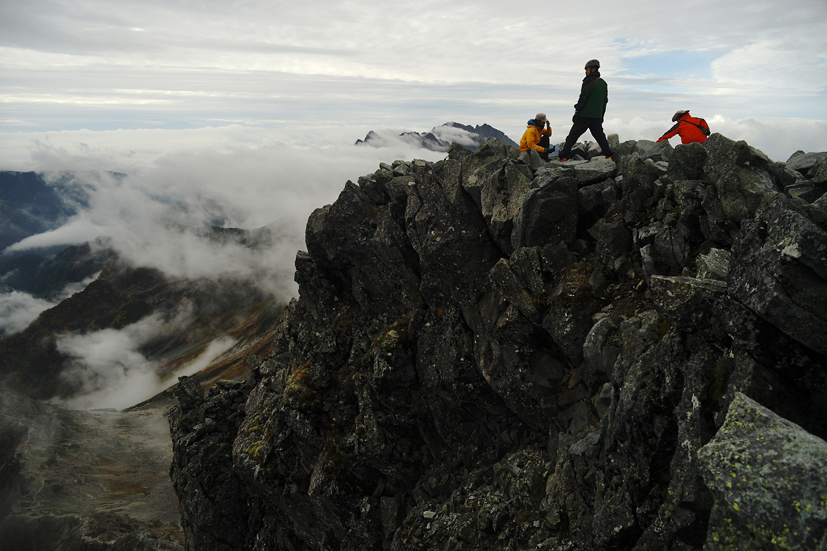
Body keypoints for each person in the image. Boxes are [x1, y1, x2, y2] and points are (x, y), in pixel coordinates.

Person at [558, 59, 613, 161]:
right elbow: (605, 101)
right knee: (600, 136)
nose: (586, 71)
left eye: (587, 69)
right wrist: (601, 116)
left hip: (584, 115)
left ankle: (563, 156)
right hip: (597, 116)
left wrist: (577, 112)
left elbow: (583, 98)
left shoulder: (588, 82)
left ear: (593, 69)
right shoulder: (603, 84)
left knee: (573, 136)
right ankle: (608, 154)